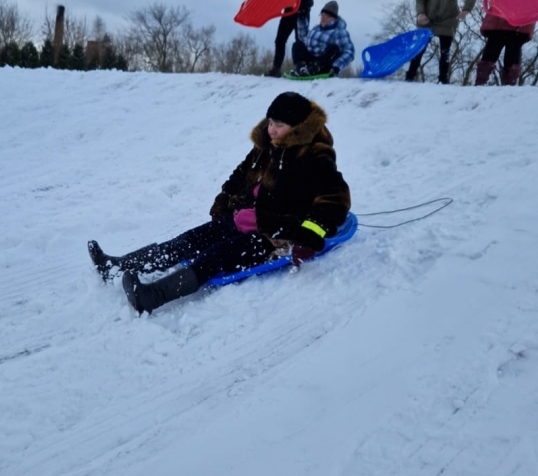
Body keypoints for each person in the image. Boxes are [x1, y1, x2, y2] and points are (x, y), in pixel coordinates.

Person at [88, 92, 351, 314]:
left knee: (215, 256)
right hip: (244, 218)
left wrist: (308, 236)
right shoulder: (267, 146)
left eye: (279, 125)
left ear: (297, 127)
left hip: (277, 234)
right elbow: (240, 175)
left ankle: (152, 296)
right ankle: (118, 265)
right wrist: (225, 200)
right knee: (189, 239)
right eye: (270, 122)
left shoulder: (315, 156)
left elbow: (335, 199)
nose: (271, 129)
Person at [287, 0, 355, 77]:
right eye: (322, 15)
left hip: (325, 63)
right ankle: (301, 67)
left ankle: (316, 67)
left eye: (327, 16)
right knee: (298, 44)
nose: (323, 18)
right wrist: (302, 20)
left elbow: (349, 52)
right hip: (309, 61)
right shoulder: (316, 29)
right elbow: (304, 39)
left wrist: (337, 66)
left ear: (334, 18)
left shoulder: (339, 32)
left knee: (334, 49)